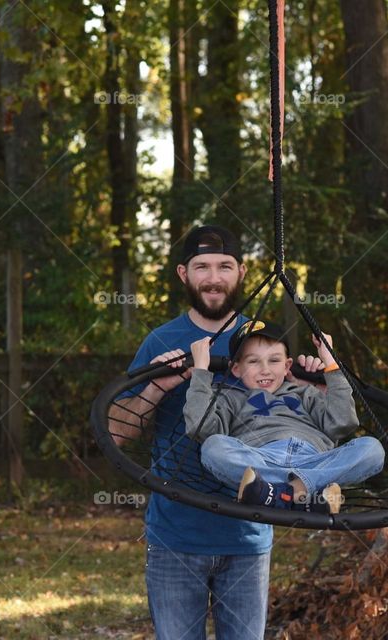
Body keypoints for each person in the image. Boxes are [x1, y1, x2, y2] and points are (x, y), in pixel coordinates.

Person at [107, 225, 271, 639]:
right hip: (175, 535)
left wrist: (317, 381)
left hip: (248, 534)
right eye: (202, 267)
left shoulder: (263, 344)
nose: (213, 278)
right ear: (184, 274)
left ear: (242, 273)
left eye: (224, 266)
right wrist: (157, 386)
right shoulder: (161, 340)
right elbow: (117, 432)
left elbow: (294, 431)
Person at [181, 320, 386, 513]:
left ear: (287, 365)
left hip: (314, 459)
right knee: (212, 447)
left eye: (274, 361)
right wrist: (201, 370)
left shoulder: (304, 392)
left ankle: (280, 492)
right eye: (253, 361)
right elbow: (201, 428)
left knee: (372, 449)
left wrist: (330, 362)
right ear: (236, 368)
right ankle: (305, 493)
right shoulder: (230, 398)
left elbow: (343, 423)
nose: (265, 370)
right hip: (262, 460)